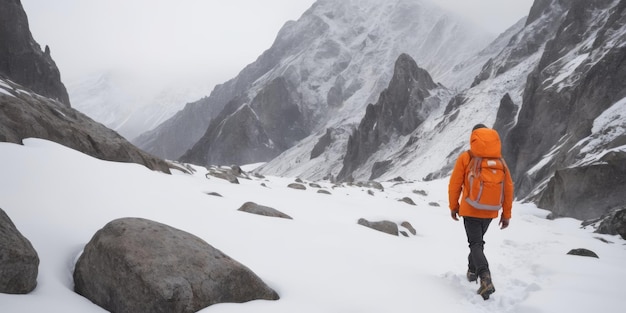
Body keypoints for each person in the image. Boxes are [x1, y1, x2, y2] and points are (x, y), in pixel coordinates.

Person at [448, 124, 514, 300]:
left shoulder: (466, 157)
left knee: (475, 244)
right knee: (477, 243)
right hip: (490, 211)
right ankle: (472, 271)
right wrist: (506, 214)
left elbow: (455, 185)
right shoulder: (500, 162)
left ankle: (485, 277)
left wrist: (453, 206)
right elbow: (508, 188)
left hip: (470, 209)